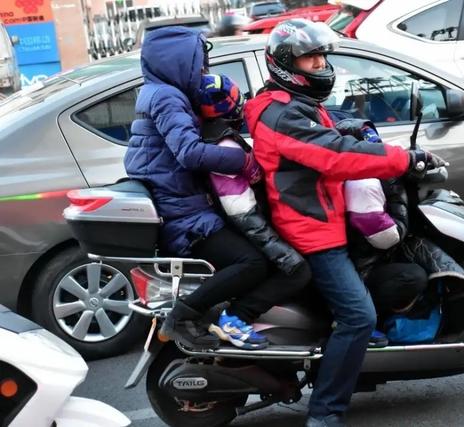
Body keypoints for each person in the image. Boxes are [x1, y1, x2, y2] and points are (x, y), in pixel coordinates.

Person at [244, 19, 435, 426]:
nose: (319, 64)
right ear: (284, 64)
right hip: (312, 231)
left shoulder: (294, 105)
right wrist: (402, 159)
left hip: (325, 218)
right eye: (309, 58)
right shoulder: (281, 115)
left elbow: (330, 133)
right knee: (358, 317)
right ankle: (325, 413)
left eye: (321, 56)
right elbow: (332, 154)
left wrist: (361, 131)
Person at [124, 26, 284, 351]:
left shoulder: (158, 92)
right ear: (179, 62)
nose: (204, 72)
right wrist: (245, 161)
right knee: (254, 262)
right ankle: (186, 316)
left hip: (184, 204)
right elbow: (189, 152)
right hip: (185, 217)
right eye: (199, 64)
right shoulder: (167, 97)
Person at [199, 72, 311, 340]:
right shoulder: (226, 147)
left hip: (245, 220)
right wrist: (277, 248)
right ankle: (238, 316)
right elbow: (241, 210)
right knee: (298, 270)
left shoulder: (217, 139)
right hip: (243, 227)